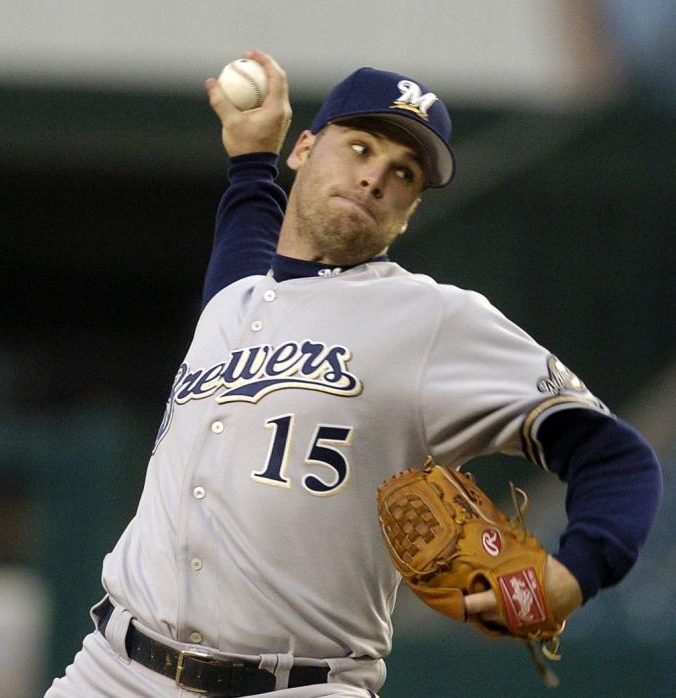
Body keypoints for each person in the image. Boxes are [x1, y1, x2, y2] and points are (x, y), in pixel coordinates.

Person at [44, 50, 662, 697]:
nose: (374, 178)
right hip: (113, 670)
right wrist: (250, 160)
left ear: (409, 210)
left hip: (298, 686)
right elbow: (253, 252)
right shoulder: (235, 301)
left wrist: (572, 573)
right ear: (304, 149)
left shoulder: (432, 319)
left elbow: (616, 457)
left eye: (402, 173)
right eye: (360, 148)